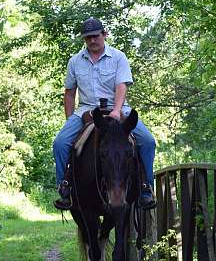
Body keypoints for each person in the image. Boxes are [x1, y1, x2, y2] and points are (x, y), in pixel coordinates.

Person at [52, 17, 157, 210]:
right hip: (86, 109)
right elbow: (69, 93)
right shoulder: (75, 61)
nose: (92, 41)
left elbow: (121, 85)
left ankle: (145, 188)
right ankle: (64, 186)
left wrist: (116, 110)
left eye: (95, 36)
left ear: (104, 34)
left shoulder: (118, 57)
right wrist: (70, 121)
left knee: (148, 141)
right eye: (87, 38)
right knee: (60, 143)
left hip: (118, 108)